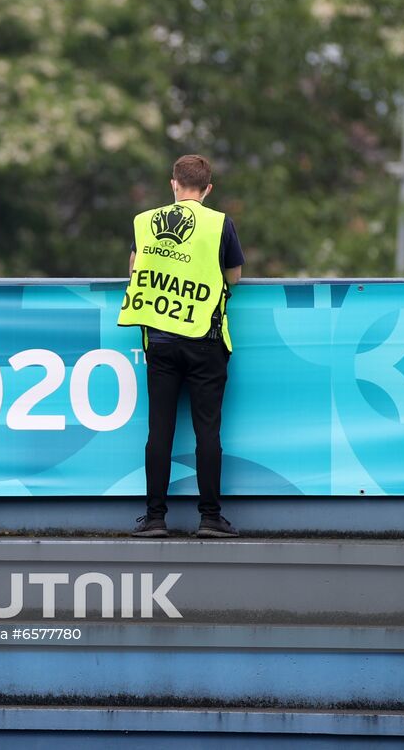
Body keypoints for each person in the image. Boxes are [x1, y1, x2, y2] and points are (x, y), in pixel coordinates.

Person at [118, 154, 243, 539]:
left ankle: (155, 518)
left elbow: (134, 271)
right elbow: (233, 277)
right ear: (208, 189)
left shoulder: (144, 222)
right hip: (206, 341)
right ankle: (210, 517)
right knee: (207, 432)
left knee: (160, 431)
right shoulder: (220, 223)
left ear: (173, 183)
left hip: (160, 341)